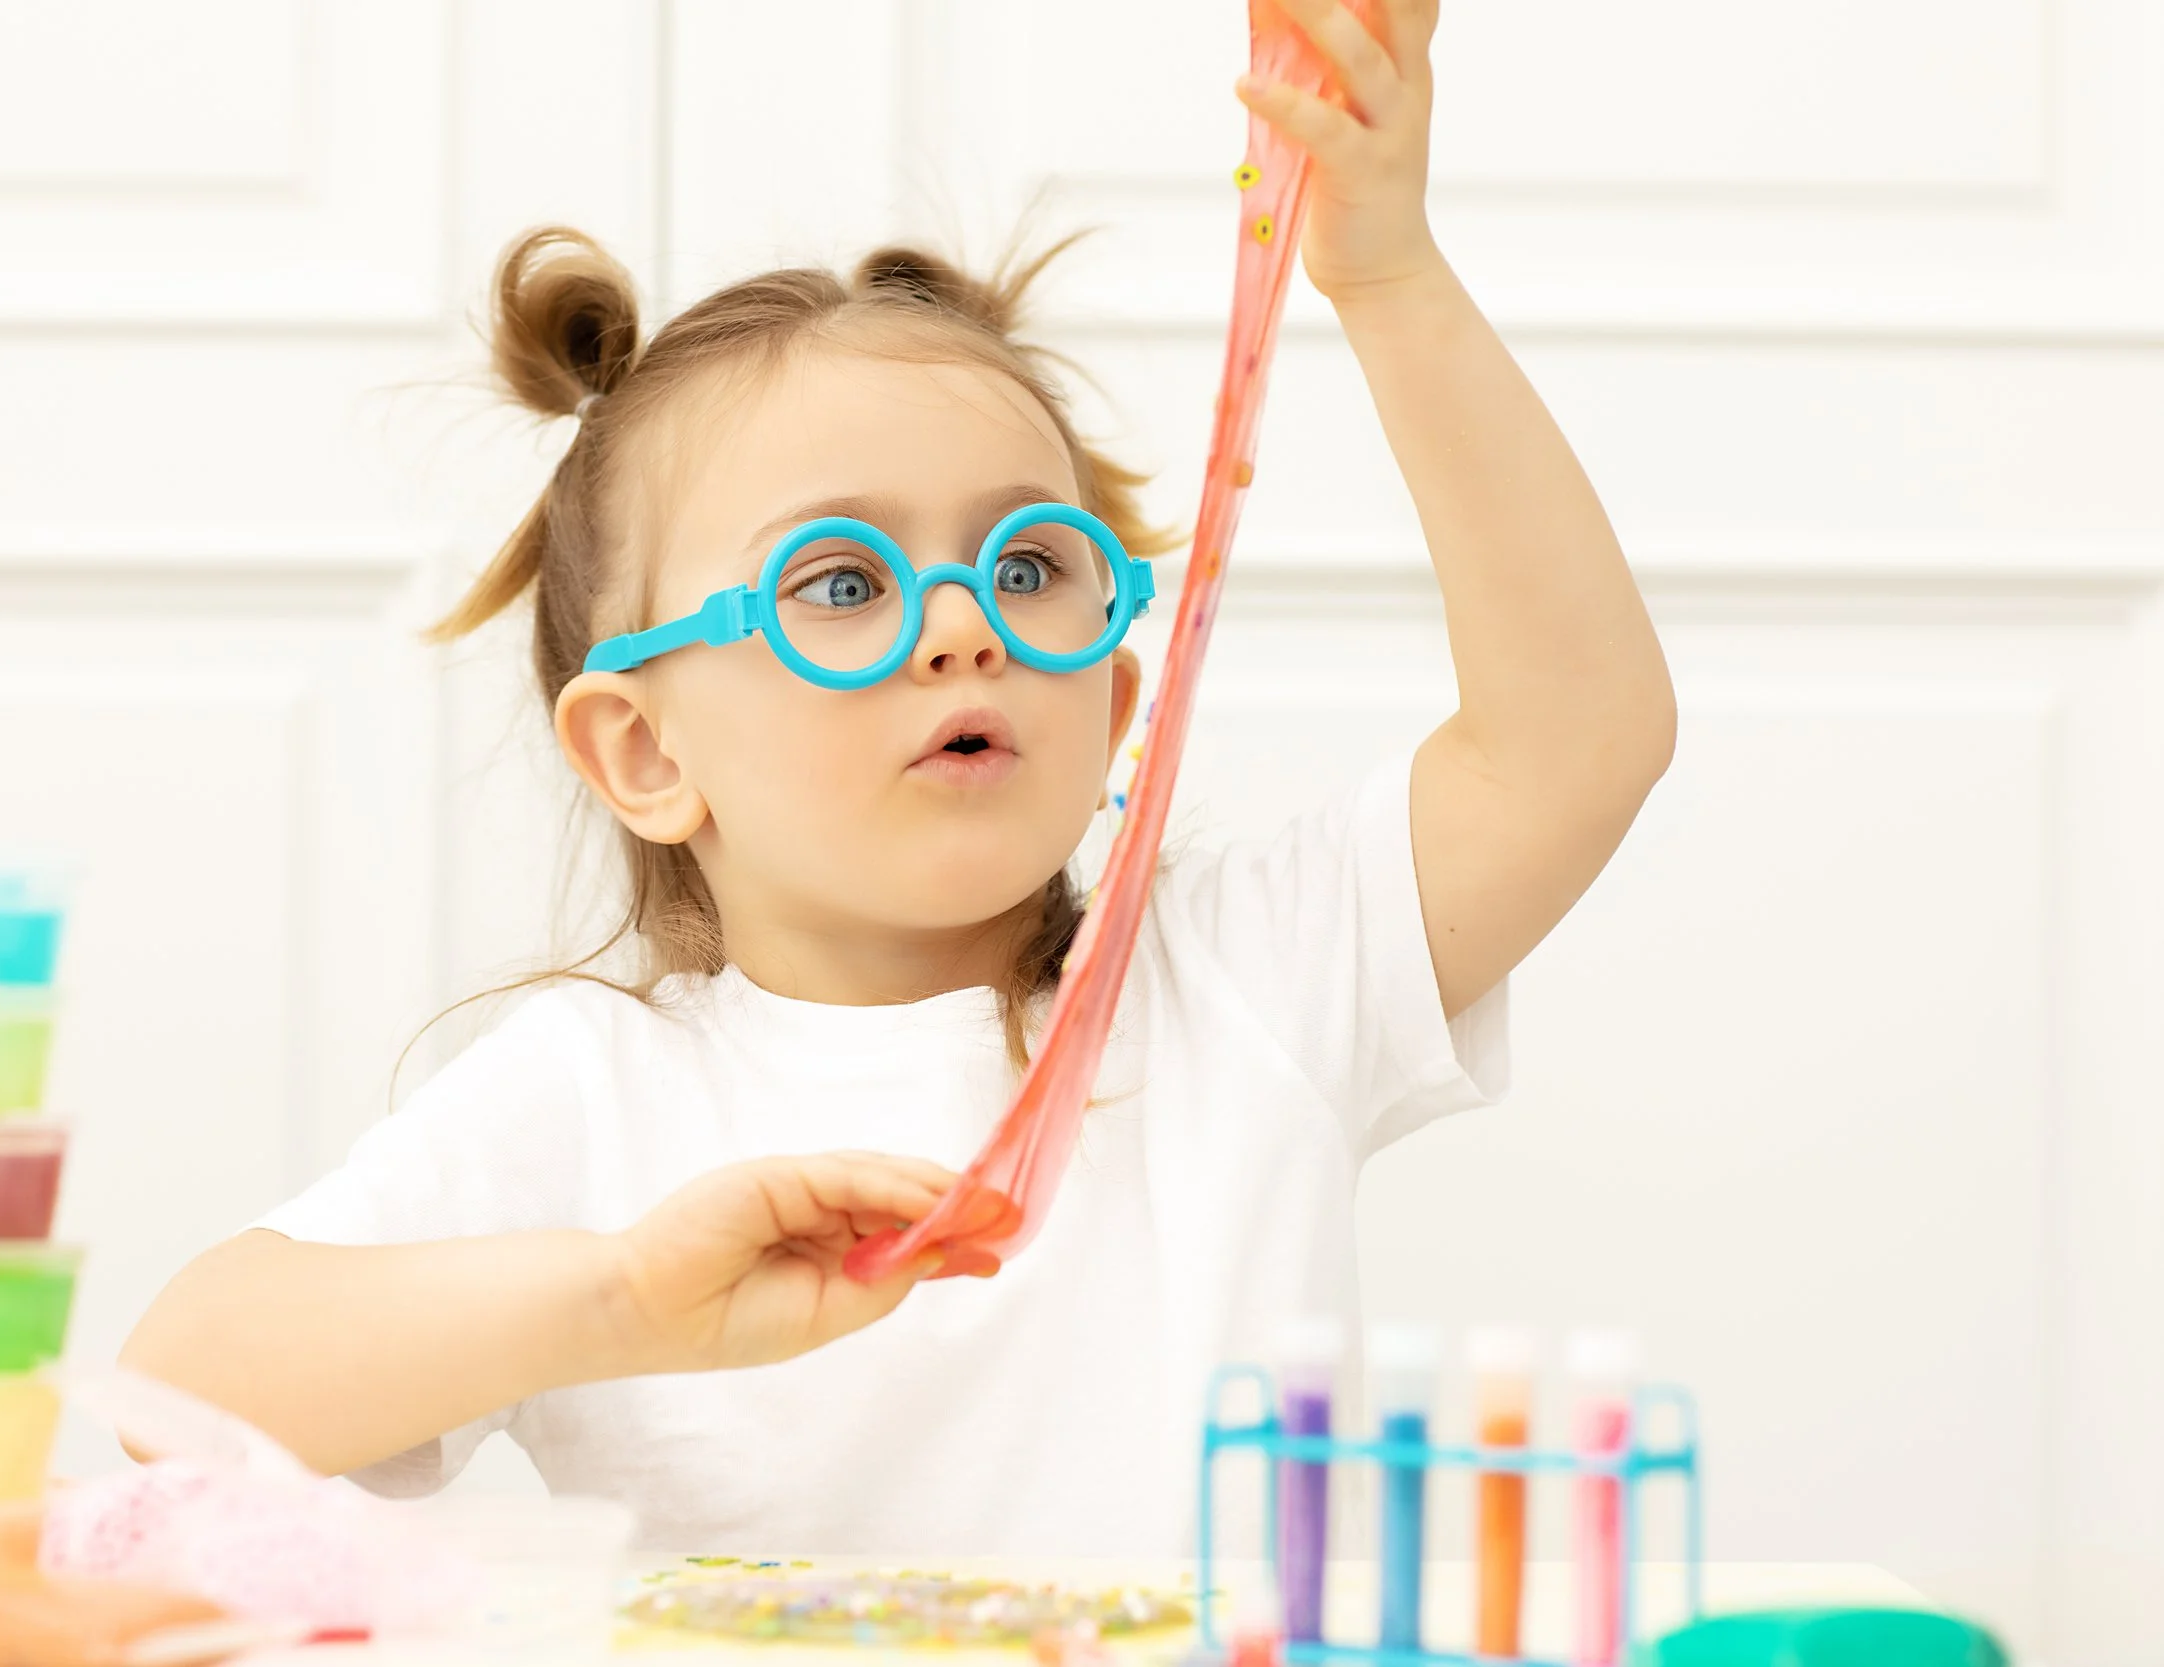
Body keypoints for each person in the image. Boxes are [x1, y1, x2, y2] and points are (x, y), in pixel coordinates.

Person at [123, 0, 1675, 1554]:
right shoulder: (593, 1096)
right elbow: (179, 1393)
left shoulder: (1247, 978)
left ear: (1116, 694)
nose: (959, 627)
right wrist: (614, 1298)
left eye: (1030, 562)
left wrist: (1387, 281)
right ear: (648, 752)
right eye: (845, 583)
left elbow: (1577, 739)